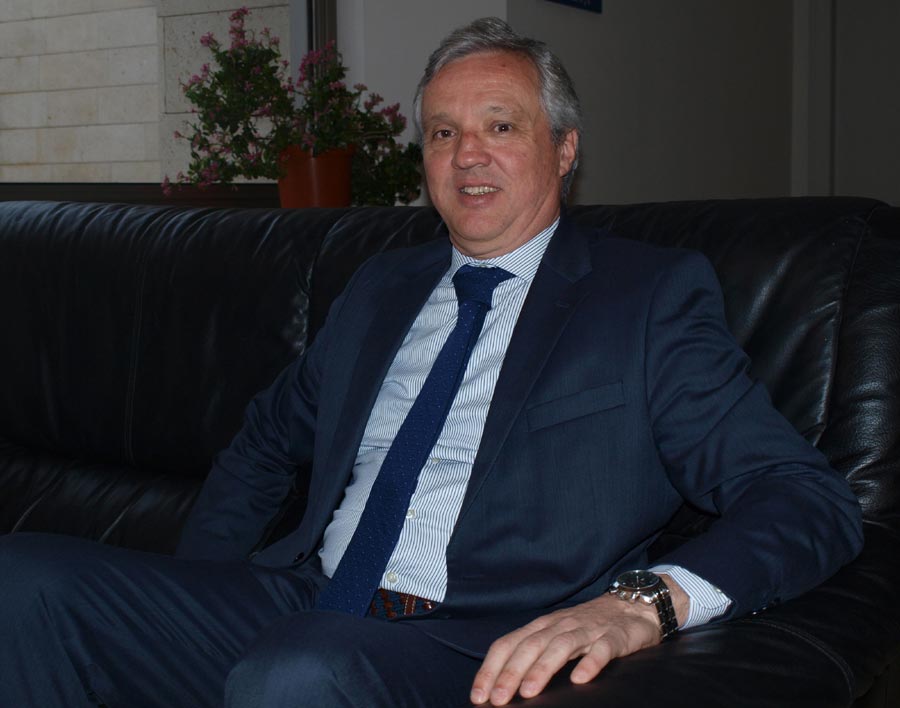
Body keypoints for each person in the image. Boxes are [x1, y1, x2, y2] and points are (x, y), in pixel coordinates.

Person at [0, 17, 862, 708]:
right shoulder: (381, 288)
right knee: (22, 578)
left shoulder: (644, 298)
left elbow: (802, 495)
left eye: (500, 126)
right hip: (306, 599)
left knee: (297, 671)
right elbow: (264, 442)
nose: (467, 154)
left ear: (565, 150)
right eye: (443, 131)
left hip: (476, 640)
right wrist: (198, 598)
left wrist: (641, 605)